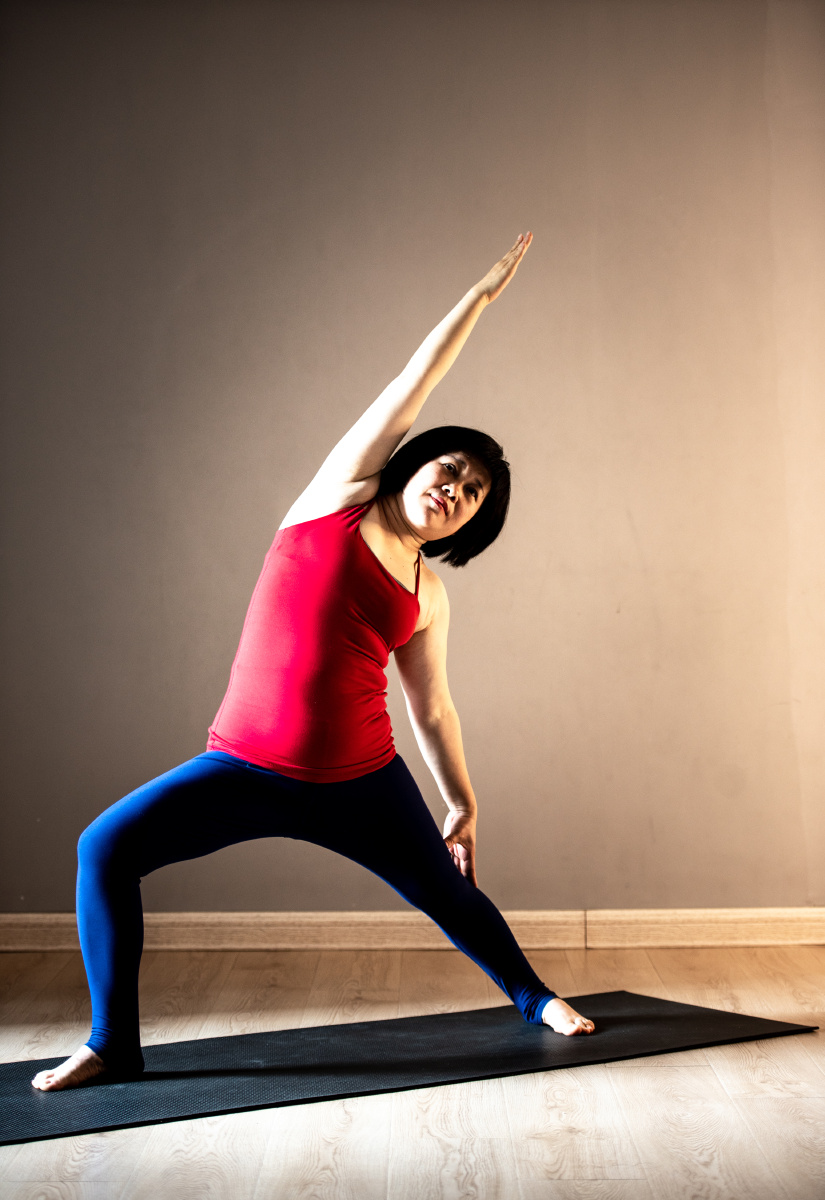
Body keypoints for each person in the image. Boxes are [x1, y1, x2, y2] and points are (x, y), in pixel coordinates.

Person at [32, 232, 594, 1092]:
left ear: (470, 523)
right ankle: (113, 1044)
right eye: (449, 469)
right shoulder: (337, 497)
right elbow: (413, 381)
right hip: (243, 768)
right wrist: (478, 300)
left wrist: (461, 801)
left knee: (448, 896)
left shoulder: (428, 594)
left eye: (472, 493)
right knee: (104, 848)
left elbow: (432, 708)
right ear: (416, 464)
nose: (454, 489)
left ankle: (535, 997)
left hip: (362, 781)